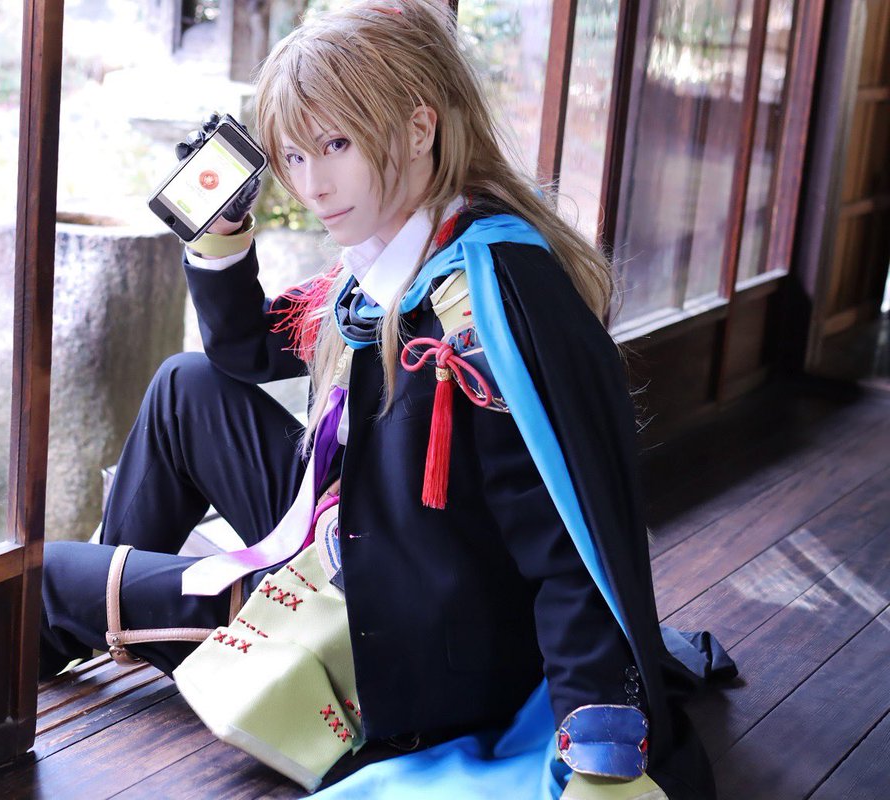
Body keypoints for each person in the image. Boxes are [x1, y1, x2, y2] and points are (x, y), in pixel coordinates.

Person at [38, 1, 731, 797]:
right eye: (294, 156)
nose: (313, 184)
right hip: (370, 534)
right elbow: (246, 351)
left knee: (44, 580)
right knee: (184, 386)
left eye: (337, 145)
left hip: (391, 637)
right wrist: (222, 230)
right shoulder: (414, 246)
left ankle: (131, 619)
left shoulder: (479, 309)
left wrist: (600, 751)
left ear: (418, 127)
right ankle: (141, 617)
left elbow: (568, 547)